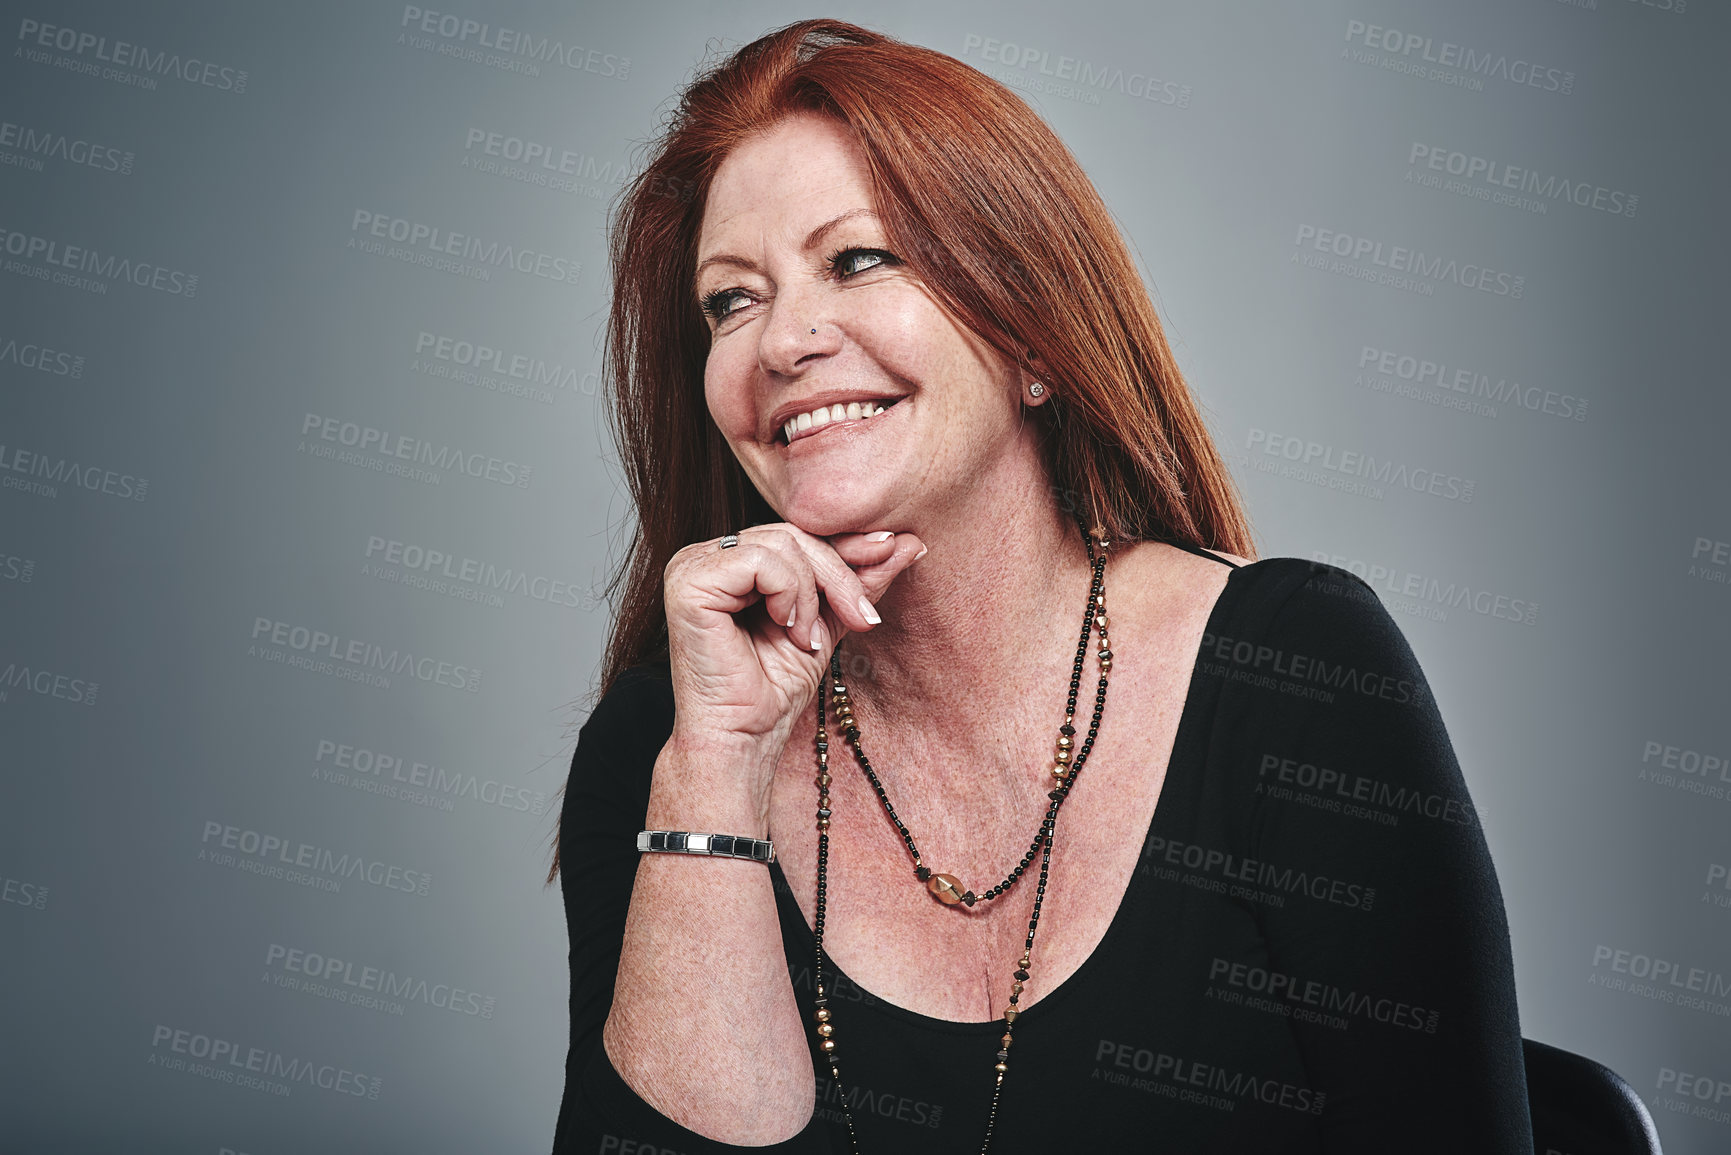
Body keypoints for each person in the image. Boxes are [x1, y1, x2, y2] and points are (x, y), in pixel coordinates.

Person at [548, 18, 1532, 1154]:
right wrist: (715, 769)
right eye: (732, 301)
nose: (782, 343)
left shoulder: (1297, 676)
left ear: (1034, 339)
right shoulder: (664, 748)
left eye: (858, 259)